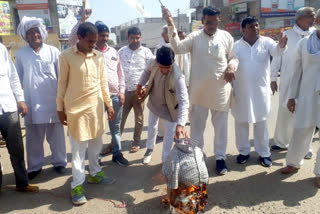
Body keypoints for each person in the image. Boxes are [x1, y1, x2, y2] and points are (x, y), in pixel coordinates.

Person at [162, 6, 239, 175]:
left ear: (219, 20)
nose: (212, 25)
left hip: (220, 91)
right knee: (197, 129)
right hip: (198, 93)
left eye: (215, 21)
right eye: (208, 22)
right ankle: (198, 159)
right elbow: (178, 48)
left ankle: (220, 158)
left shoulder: (226, 37)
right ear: (203, 21)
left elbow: (233, 56)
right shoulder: (195, 37)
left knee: (221, 128)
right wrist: (170, 24)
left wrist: (232, 66)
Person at [57, 22, 115, 205]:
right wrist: (60, 108)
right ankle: (77, 185)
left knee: (97, 144)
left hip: (96, 108)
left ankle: (95, 173)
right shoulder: (66, 56)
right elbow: (62, 84)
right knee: (78, 151)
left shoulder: (99, 56)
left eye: (95, 41)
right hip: (76, 111)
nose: (93, 45)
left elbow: (103, 83)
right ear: (79, 38)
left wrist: (109, 104)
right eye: (90, 41)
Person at [68, 10, 128, 166]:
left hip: (114, 96)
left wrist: (121, 91)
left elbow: (121, 74)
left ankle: (117, 153)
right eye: (102, 35)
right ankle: (95, 159)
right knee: (96, 130)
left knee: (115, 128)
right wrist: (82, 20)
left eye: (107, 35)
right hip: (95, 98)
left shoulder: (114, 52)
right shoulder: (88, 51)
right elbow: (73, 38)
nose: (105, 38)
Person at [15, 16, 67, 180]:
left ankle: (59, 163)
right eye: (30, 33)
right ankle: (35, 167)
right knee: (33, 139)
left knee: (57, 137)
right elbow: (17, 79)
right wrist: (20, 100)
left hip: (52, 102)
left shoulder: (53, 51)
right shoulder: (21, 54)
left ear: (42, 33)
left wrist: (63, 101)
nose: (34, 35)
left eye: (37, 31)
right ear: (26, 36)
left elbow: (62, 78)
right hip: (31, 103)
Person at [232, 17, 288, 167]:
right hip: (241, 92)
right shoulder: (236, 46)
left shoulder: (266, 42)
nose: (255, 28)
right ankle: (243, 152)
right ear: (243, 29)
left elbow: (277, 51)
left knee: (261, 123)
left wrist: (281, 45)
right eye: (251, 27)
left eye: (257, 26)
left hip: (260, 92)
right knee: (241, 122)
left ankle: (264, 153)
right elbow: (230, 62)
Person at [280, 10, 320, 186]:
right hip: (307, 93)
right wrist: (291, 97)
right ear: (317, 20)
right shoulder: (304, 44)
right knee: (301, 129)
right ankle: (293, 163)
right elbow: (297, 71)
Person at [270, 7, 316, 159]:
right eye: (310, 16)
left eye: (314, 16)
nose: (313, 19)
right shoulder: (287, 34)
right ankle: (281, 141)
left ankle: (306, 148)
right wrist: (272, 78)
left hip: (310, 82)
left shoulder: (316, 35)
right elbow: (277, 57)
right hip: (288, 80)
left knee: (307, 115)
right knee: (285, 112)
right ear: (299, 19)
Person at [136, 46, 189, 164]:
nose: (164, 71)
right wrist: (140, 85)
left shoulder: (178, 76)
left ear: (173, 62)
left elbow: (184, 101)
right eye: (161, 67)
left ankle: (165, 161)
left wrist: (180, 124)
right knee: (152, 126)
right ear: (156, 62)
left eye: (167, 68)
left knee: (169, 135)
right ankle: (149, 149)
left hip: (170, 108)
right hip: (155, 102)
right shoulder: (152, 62)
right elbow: (146, 72)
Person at [0, 42, 39, 193]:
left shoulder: (1, 49)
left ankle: (22, 183)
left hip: (8, 106)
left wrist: (20, 99)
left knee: (16, 148)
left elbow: (13, 76)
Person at [119, 27, 154, 153]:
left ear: (141, 38)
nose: (135, 40)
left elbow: (152, 71)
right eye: (133, 38)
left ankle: (136, 142)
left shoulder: (146, 52)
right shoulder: (121, 52)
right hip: (124, 91)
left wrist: (146, 88)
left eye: (138, 37)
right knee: (120, 119)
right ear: (128, 38)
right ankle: (115, 142)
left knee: (139, 118)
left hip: (139, 92)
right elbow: (118, 71)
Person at [162, 138, 208, 214]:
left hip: (191, 187)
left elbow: (204, 160)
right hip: (191, 187)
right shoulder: (176, 154)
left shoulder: (196, 150)